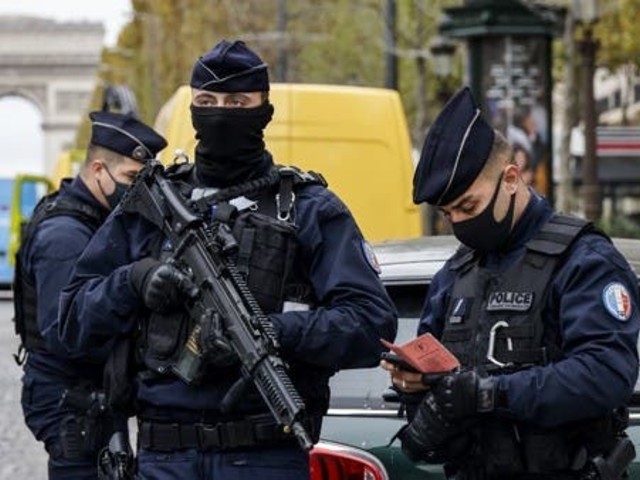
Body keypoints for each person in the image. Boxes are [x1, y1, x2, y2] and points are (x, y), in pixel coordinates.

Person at [58, 39, 398, 480]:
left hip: (264, 453)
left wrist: (274, 330)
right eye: (207, 101)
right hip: (164, 456)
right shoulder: (151, 205)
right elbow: (69, 322)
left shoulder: (309, 209)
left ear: (264, 111)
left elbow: (372, 324)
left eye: (237, 101)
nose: (220, 112)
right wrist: (134, 282)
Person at [382, 87, 640, 479]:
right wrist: (417, 386)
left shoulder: (583, 260)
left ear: (512, 178)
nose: (460, 222)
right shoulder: (453, 276)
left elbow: (605, 373)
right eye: (448, 213)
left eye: (468, 206)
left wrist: (490, 393)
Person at [14, 111, 167, 479]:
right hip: (71, 398)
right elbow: (64, 331)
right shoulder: (66, 235)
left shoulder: (92, 220)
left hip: (87, 393)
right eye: (132, 178)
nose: (139, 190)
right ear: (99, 169)